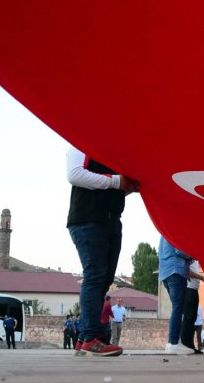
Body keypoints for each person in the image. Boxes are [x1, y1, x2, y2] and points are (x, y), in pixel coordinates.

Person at [66, 146, 139, 357]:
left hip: (110, 220)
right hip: (88, 219)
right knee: (95, 276)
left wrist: (126, 185)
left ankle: (83, 339)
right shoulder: (80, 141)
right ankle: (91, 338)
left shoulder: (114, 150)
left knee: (103, 279)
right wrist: (117, 182)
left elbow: (116, 183)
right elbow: (74, 174)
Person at [159, 236, 204, 354]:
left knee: (177, 308)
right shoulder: (172, 228)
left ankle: (173, 342)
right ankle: (173, 343)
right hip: (176, 270)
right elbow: (179, 250)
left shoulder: (163, 231)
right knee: (178, 307)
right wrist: (193, 255)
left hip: (166, 272)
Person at [180, 260, 203, 353]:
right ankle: (186, 345)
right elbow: (186, 270)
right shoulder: (188, 256)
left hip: (194, 289)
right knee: (188, 318)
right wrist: (201, 277)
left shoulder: (196, 260)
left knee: (192, 318)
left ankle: (190, 345)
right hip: (189, 289)